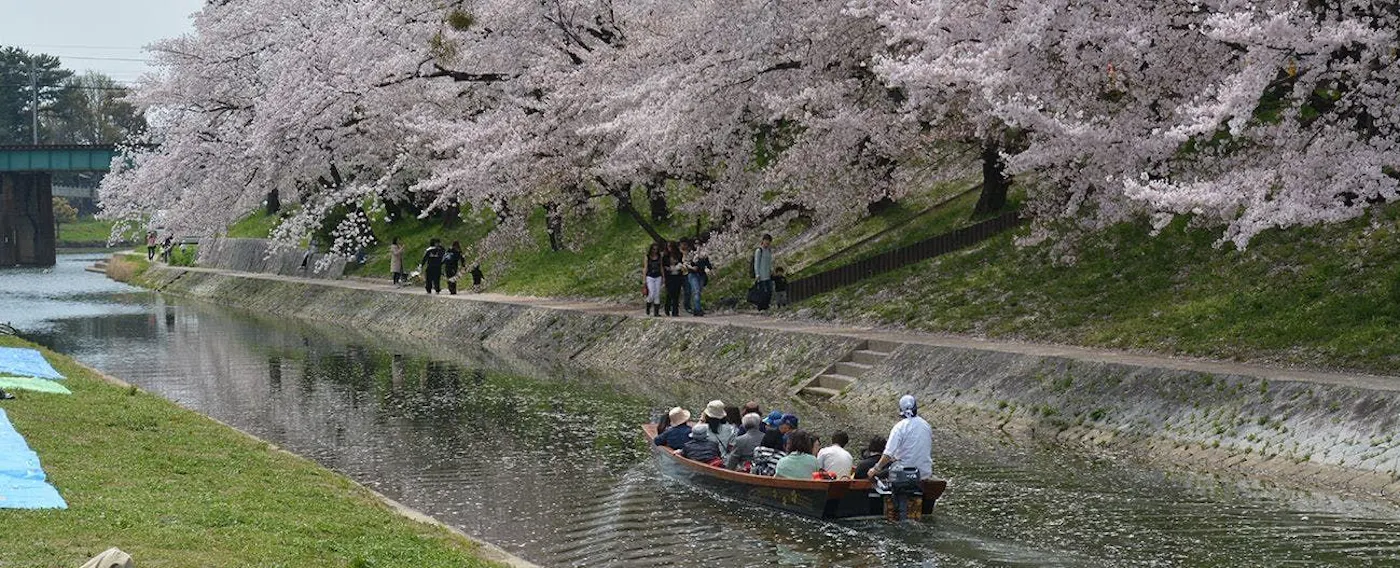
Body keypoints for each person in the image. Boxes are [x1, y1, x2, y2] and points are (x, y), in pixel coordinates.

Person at [864, 395, 934, 480]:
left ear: (901, 411)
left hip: (904, 473)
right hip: (924, 473)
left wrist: (875, 469)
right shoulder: (926, 425)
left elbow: (888, 454)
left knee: (880, 473)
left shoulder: (899, 427)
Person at [686, 248, 714, 316]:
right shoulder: (691, 254)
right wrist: (693, 264)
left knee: (698, 292)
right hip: (693, 274)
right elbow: (687, 264)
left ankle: (696, 309)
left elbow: (708, 265)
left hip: (701, 275)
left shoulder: (704, 256)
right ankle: (698, 310)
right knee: (696, 291)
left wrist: (709, 270)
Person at [662, 241, 686, 316]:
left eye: (671, 247)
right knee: (669, 293)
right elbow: (663, 266)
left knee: (676, 293)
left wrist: (679, 266)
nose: (669, 249)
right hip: (669, 276)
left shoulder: (679, 255)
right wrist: (668, 268)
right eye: (668, 247)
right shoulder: (665, 256)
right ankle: (667, 307)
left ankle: (675, 311)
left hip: (677, 276)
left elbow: (682, 263)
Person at [752, 234, 774, 311]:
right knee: (762, 292)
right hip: (761, 276)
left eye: (769, 243)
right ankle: (761, 307)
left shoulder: (769, 250)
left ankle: (766, 306)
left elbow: (769, 262)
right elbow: (756, 263)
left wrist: (771, 270)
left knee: (769, 291)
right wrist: (757, 274)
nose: (767, 244)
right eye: (766, 242)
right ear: (763, 241)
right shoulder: (759, 251)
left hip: (768, 275)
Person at [642, 243, 664, 316]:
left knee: (657, 294)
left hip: (658, 276)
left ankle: (656, 312)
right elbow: (645, 268)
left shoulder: (659, 256)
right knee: (651, 293)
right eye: (653, 249)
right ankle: (648, 305)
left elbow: (661, 266)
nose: (655, 251)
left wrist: (663, 277)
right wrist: (644, 279)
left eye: (656, 249)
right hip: (650, 276)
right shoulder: (647, 257)